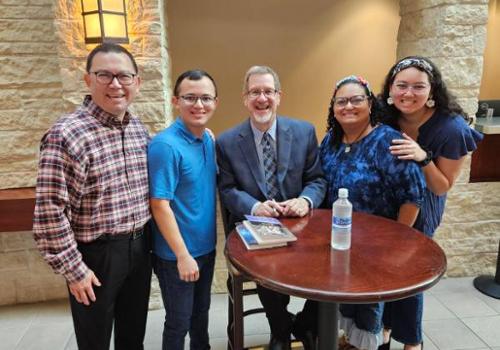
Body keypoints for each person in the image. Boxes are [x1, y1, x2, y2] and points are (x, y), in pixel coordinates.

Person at [33, 43, 151, 350]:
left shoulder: (139, 129)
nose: (115, 84)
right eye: (104, 75)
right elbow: (49, 212)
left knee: (133, 335)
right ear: (88, 80)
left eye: (124, 76)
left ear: (136, 82)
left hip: (140, 247)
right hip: (96, 256)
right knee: (95, 340)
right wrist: (75, 270)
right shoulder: (66, 134)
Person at [216, 65, 327, 350]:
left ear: (279, 96)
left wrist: (305, 200)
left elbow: (316, 179)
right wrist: (254, 206)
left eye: (268, 91)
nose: (261, 98)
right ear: (244, 98)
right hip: (256, 226)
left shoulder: (303, 132)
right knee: (266, 267)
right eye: (255, 92)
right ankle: (280, 329)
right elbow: (227, 190)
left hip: (301, 225)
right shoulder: (228, 142)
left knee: (332, 265)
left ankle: (305, 322)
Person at [378, 56, 483, 350]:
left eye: (418, 87)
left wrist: (421, 156)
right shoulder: (385, 117)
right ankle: (383, 329)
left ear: (432, 91)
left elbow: (442, 185)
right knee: (381, 273)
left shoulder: (452, 129)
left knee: (409, 277)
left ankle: (412, 341)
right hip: (383, 210)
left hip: (422, 212)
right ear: (390, 87)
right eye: (401, 85)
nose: (408, 93)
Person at [318, 75, 426, 350]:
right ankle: (347, 341)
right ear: (333, 108)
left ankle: (364, 344)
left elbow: (413, 195)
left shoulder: (387, 141)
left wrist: (397, 239)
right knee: (343, 299)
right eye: (341, 101)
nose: (348, 106)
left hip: (377, 246)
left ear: (370, 103)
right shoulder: (331, 140)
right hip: (339, 241)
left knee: (368, 305)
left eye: (356, 100)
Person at [148, 69, 219, 350]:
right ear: (176, 101)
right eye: (190, 97)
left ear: (215, 102)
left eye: (205, 98)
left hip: (205, 250)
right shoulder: (165, 145)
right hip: (176, 256)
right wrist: (182, 255)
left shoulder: (208, 140)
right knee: (178, 323)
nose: (198, 105)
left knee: (200, 317)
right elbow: (159, 204)